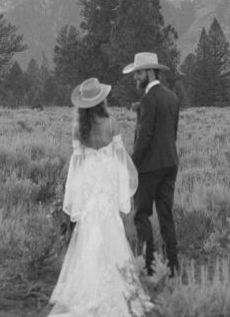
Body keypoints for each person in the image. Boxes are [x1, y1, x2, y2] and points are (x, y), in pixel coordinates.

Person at [48, 78, 152, 317]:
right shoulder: (112, 124)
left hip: (90, 184)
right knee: (111, 230)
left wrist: (75, 196)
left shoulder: (77, 129)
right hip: (105, 182)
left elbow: (76, 166)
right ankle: (114, 285)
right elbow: (119, 159)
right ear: (101, 100)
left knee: (88, 232)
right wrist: (120, 190)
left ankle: (88, 285)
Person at [124, 51, 180, 276]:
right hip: (170, 163)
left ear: (148, 72)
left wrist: (131, 164)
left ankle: (149, 265)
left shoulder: (148, 100)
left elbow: (145, 137)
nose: (135, 78)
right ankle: (173, 266)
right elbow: (172, 133)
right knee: (166, 214)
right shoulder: (172, 97)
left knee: (141, 214)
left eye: (138, 74)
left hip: (149, 168)